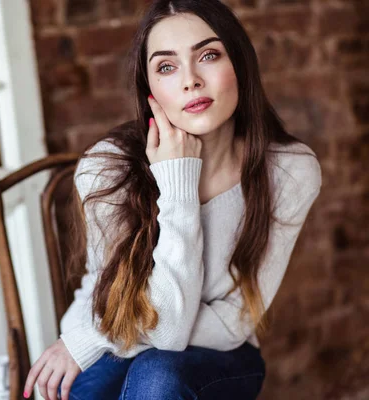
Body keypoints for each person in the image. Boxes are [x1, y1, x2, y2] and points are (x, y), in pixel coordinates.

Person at [23, 0, 322, 399]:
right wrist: (88, 339)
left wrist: (179, 181)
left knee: (158, 374)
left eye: (209, 55)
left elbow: (232, 323)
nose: (191, 81)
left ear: (241, 65)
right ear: (150, 92)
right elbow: (106, 290)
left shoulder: (290, 171)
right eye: (167, 67)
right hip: (112, 332)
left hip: (221, 354)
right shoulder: (108, 166)